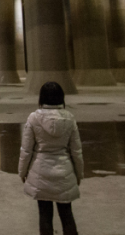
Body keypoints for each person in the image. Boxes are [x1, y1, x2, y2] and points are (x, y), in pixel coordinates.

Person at [18, 81, 84, 235]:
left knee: (45, 215)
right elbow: (76, 151)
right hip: (64, 172)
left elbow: (26, 150)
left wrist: (22, 172)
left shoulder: (33, 118)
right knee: (67, 214)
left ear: (41, 98)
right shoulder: (69, 118)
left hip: (40, 172)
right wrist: (79, 173)